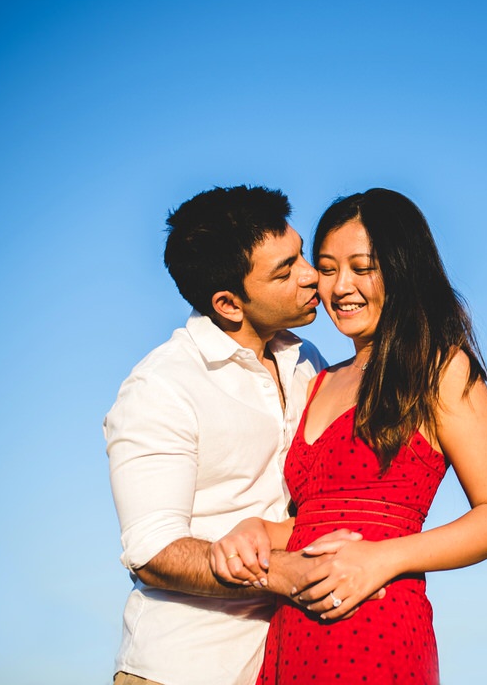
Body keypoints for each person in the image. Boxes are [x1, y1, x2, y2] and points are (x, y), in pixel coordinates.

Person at [209, 188, 487, 684]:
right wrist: (259, 530)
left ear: (402, 268)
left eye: (363, 267)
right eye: (329, 268)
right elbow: (321, 517)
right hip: (294, 631)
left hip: (378, 626)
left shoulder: (439, 366)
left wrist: (382, 558)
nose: (341, 287)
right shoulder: (317, 381)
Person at [104, 185, 367, 685]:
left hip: (293, 658)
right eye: (284, 272)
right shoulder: (161, 386)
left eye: (300, 256)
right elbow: (152, 552)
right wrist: (279, 573)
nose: (313, 277)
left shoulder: (307, 360)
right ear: (228, 303)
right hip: (184, 668)